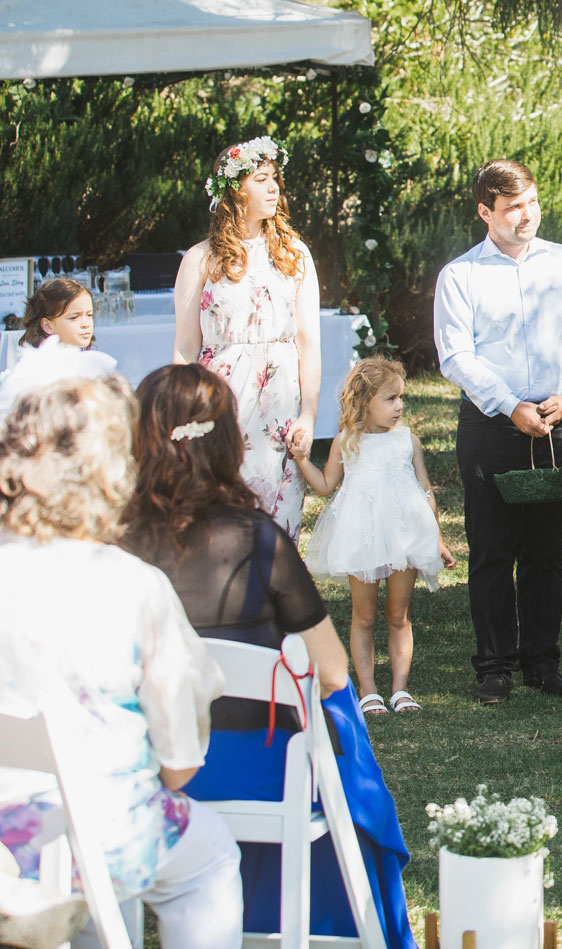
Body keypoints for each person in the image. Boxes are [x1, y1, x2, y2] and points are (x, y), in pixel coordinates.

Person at [121, 365, 417, 949]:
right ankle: (330, 912)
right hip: (258, 772)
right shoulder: (256, 539)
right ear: (229, 439)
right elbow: (333, 672)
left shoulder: (112, 543)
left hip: (143, 772)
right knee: (338, 723)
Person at [0, 378, 241, 949]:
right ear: (111, 471)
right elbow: (181, 760)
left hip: (8, 845)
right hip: (103, 833)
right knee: (207, 860)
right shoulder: (132, 584)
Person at [435, 159, 562, 705]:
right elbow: (456, 356)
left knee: (546, 550)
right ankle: (493, 667)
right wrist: (510, 406)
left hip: (558, 418)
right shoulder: (460, 276)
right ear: (485, 211)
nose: (526, 215)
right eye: (512, 208)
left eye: (531, 203)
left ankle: (542, 661)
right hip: (492, 423)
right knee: (492, 549)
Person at [171, 137, 321, 535]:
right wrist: (182, 417)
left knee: (278, 513)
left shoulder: (295, 254)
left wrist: (308, 414)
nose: (274, 188)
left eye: (275, 179)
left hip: (280, 397)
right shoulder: (200, 258)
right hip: (221, 398)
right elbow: (185, 347)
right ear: (234, 189)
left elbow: (308, 341)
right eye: (261, 179)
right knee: (221, 507)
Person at [294, 357, 453, 714]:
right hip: (363, 536)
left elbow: (425, 489)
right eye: (390, 399)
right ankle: (368, 689)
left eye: (401, 398)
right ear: (365, 401)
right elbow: (325, 485)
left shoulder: (406, 440)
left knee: (399, 614)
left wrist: (437, 538)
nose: (399, 406)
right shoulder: (346, 441)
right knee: (363, 615)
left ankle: (400, 689)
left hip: (405, 535)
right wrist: (303, 460)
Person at [0, 277, 119, 417]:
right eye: (74, 317)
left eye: (89, 315)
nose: (86, 323)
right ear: (48, 326)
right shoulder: (38, 372)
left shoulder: (92, 364)